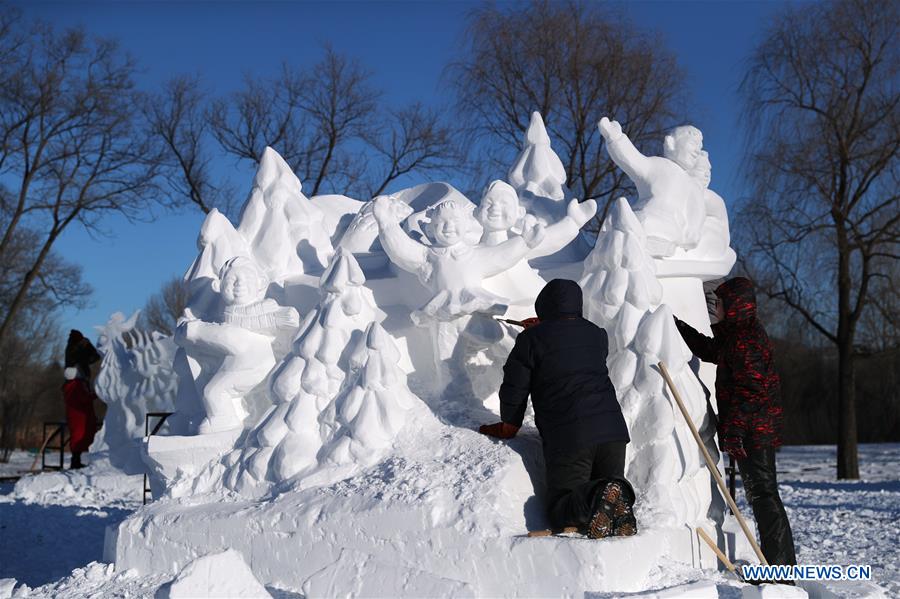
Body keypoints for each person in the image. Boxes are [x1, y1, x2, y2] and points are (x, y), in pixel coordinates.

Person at [479, 279, 636, 538]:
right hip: (613, 433)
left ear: (544, 306)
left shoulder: (532, 339)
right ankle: (616, 504)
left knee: (562, 509)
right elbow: (570, 350)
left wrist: (510, 424)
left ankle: (601, 495)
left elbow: (515, 385)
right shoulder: (597, 335)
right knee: (609, 501)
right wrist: (545, 330)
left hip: (571, 435)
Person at [674, 277, 797, 566]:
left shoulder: (747, 340)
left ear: (735, 307)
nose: (715, 308)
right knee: (762, 498)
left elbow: (752, 393)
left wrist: (736, 431)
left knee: (764, 497)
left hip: (756, 432)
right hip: (751, 429)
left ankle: (780, 570)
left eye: (720, 304)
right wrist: (679, 327)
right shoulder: (736, 336)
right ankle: (778, 565)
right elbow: (712, 351)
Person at [62, 367, 98, 469]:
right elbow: (84, 398)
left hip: (74, 416)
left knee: (76, 437)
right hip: (81, 416)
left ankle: (76, 460)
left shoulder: (68, 386)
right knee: (80, 437)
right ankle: (76, 461)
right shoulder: (77, 385)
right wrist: (96, 395)